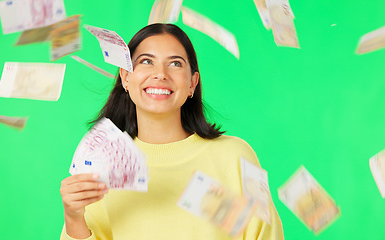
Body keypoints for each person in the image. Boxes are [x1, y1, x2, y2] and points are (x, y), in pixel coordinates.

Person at [60, 23, 284, 240]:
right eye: (146, 61)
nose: (160, 74)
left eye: (175, 64)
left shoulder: (236, 156)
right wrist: (73, 217)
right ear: (126, 77)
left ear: (192, 83)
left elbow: (265, 235)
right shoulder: (101, 165)